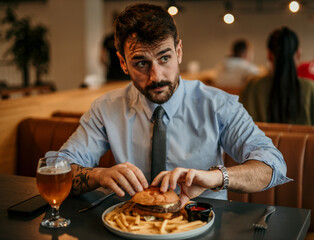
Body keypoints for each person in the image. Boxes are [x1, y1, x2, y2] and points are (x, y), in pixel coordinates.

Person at [50, 3, 290, 207]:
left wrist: (216, 177)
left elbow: (273, 165)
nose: (157, 76)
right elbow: (56, 169)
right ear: (123, 64)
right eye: (141, 63)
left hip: (204, 225)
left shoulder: (217, 105)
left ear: (179, 52)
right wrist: (98, 175)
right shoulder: (106, 109)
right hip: (130, 227)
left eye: (165, 58)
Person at [240, 27, 314, 131]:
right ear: (298, 53)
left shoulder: (252, 86)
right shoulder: (311, 88)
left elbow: (236, 126)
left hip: (259, 147)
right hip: (304, 147)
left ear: (269, 55)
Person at [100, 11, 130, 82]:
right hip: (122, 73)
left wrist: (108, 66)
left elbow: (102, 58)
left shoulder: (108, 38)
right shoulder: (126, 38)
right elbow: (102, 58)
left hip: (114, 73)